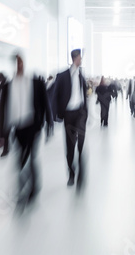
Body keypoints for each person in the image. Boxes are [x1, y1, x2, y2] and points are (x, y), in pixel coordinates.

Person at [1, 54, 49, 210]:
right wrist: (4, 133)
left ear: (24, 63)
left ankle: (24, 191)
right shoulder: (8, 85)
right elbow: (4, 109)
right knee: (23, 159)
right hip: (17, 128)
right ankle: (33, 185)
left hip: (32, 127)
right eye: (16, 63)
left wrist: (48, 124)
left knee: (25, 158)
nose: (19, 65)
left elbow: (45, 103)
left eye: (21, 62)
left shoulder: (35, 82)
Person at [51, 49, 88, 186]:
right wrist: (55, 115)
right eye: (80, 58)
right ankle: (71, 173)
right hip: (68, 114)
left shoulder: (81, 76)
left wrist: (86, 110)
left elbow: (84, 94)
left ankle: (81, 171)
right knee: (70, 145)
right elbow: (55, 96)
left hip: (80, 113)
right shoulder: (63, 76)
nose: (81, 60)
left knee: (81, 143)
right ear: (75, 58)